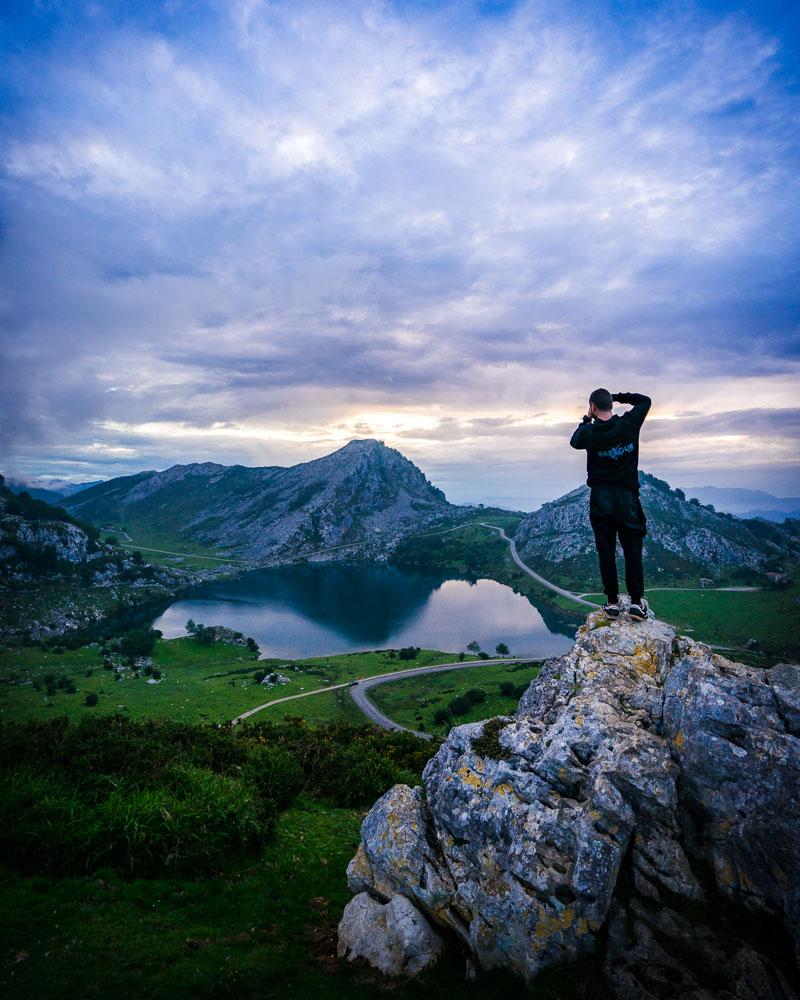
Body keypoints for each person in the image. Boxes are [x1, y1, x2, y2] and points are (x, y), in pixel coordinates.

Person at [569, 388, 652, 620]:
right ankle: (636, 603)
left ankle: (613, 603)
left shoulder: (589, 431)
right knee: (632, 550)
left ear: (593, 407)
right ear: (611, 406)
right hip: (627, 500)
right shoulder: (629, 424)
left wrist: (587, 418)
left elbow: (574, 441)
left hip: (601, 500)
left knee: (606, 551)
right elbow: (645, 400)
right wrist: (617, 397)